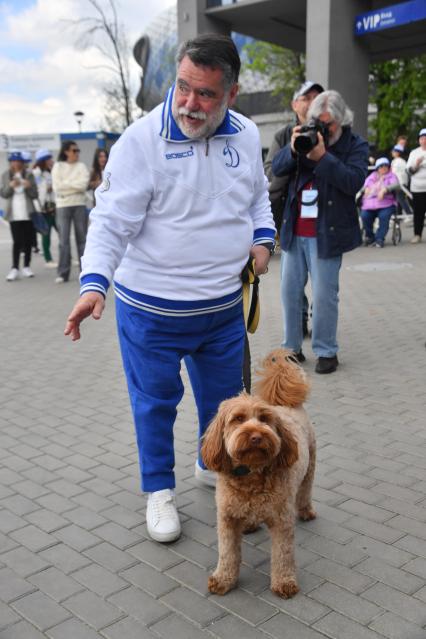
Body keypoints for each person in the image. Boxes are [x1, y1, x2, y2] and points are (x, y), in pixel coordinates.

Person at [63, 34, 275, 543]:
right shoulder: (139, 142)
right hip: (150, 313)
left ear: (232, 94)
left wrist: (263, 240)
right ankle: (159, 491)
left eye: (205, 94)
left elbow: (258, 196)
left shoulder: (244, 134)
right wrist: (94, 284)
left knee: (225, 404)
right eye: (182, 87)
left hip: (222, 309)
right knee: (154, 404)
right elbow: (110, 222)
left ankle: (218, 471)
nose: (189, 103)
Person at [272, 90, 368, 374]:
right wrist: (292, 149)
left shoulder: (355, 144)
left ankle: (326, 351)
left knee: (325, 294)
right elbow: (276, 168)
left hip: (328, 231)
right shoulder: (300, 133)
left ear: (341, 120)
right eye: (318, 121)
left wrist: (324, 156)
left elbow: (353, 182)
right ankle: (291, 348)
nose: (323, 128)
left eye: (329, 124)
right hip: (294, 229)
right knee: (289, 291)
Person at [264, 80, 324, 339]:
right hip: (289, 217)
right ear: (294, 103)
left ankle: (320, 323)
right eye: (306, 97)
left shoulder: (331, 132)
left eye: (317, 97)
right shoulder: (283, 135)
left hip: (323, 220)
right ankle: (299, 319)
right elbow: (270, 174)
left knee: (324, 284)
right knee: (291, 282)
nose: (311, 102)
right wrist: (292, 152)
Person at [51, 140, 90, 282]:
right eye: (74, 150)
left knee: (82, 240)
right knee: (64, 240)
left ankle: (85, 271)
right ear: (66, 151)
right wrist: (75, 186)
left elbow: (83, 185)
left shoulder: (81, 166)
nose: (77, 153)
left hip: (79, 204)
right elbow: (57, 187)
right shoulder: (58, 166)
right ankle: (63, 272)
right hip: (62, 205)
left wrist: (67, 185)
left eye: (78, 150)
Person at [0, 150, 38, 281]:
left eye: (18, 161)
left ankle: (26, 266)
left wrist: (28, 186)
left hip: (28, 212)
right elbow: (3, 194)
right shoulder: (6, 175)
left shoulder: (29, 174)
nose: (15, 163)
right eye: (13, 161)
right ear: (10, 162)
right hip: (13, 213)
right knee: (17, 241)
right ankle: (14, 268)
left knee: (28, 241)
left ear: (22, 162)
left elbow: (35, 194)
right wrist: (10, 186)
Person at [360, 157, 400, 247]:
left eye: (386, 165)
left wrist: (385, 189)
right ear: (377, 168)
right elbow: (363, 186)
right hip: (369, 204)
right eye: (381, 166)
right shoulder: (372, 176)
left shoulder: (391, 176)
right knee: (364, 216)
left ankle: (379, 238)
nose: (384, 167)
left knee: (384, 216)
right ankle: (370, 237)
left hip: (386, 203)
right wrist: (365, 189)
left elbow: (397, 185)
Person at [33, 148, 57, 267]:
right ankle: (48, 259)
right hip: (44, 208)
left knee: (62, 233)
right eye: (48, 158)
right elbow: (37, 190)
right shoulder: (36, 173)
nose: (51, 160)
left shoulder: (52, 171)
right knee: (46, 234)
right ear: (42, 160)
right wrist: (46, 188)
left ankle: (68, 257)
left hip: (55, 206)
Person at [406, 128, 426, 243]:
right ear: (419, 140)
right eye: (422, 138)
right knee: (418, 212)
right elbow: (408, 171)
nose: (424, 141)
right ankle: (417, 234)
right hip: (417, 188)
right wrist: (417, 164)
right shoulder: (414, 153)